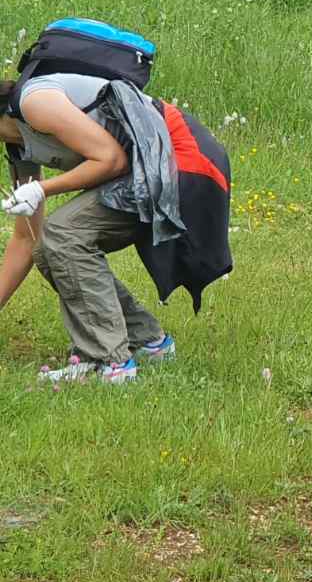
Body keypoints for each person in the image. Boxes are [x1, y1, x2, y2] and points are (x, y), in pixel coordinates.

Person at [0, 69, 231, 383]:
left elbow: (111, 159)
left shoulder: (34, 102)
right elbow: (27, 238)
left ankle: (109, 363)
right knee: (48, 245)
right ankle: (148, 342)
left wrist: (43, 189)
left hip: (184, 159)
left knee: (63, 233)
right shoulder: (18, 147)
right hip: (155, 165)